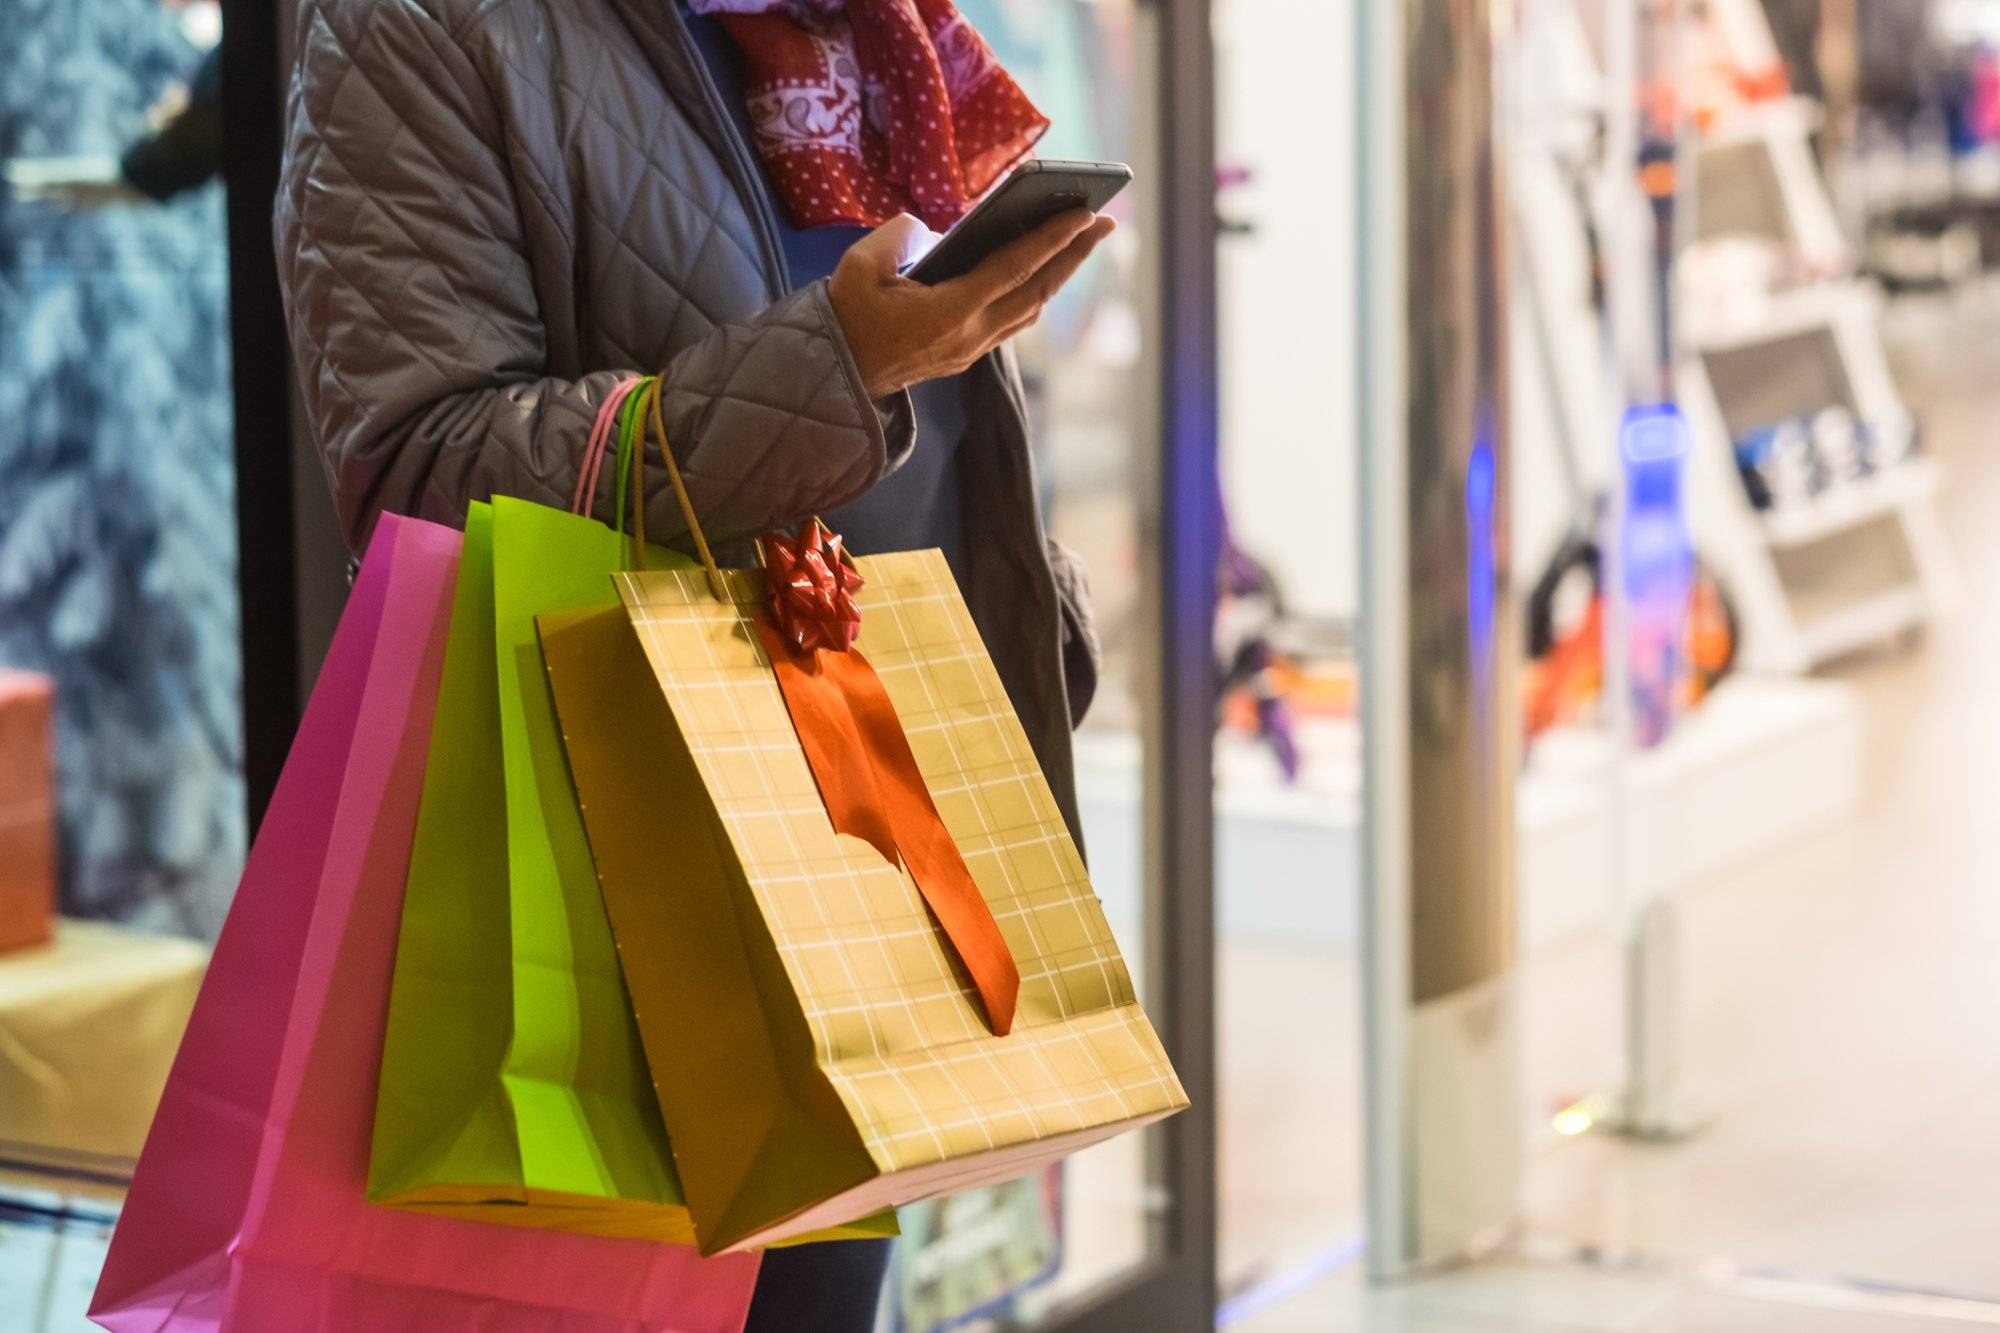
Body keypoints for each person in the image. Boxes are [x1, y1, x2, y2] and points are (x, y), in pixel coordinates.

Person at [275, 1, 1112, 1328]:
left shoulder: (857, 26)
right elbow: (419, 468)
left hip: (869, 824)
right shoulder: (420, 26)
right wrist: (835, 367)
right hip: (623, 862)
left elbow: (928, 422)